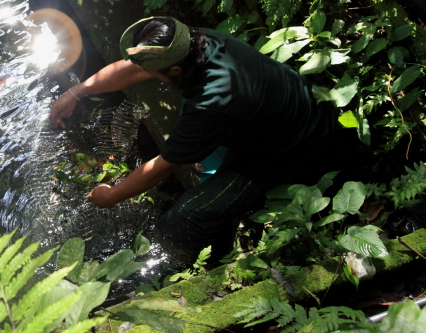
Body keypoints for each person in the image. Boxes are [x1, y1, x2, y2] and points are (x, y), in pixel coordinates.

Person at [49, 16, 345, 263]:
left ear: (175, 69)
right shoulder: (196, 42)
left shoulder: (212, 102)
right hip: (277, 115)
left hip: (294, 153)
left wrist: (111, 195)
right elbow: (130, 70)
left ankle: (201, 263)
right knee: (189, 118)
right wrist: (76, 93)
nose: (142, 73)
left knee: (184, 218)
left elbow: (165, 165)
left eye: (152, 71)